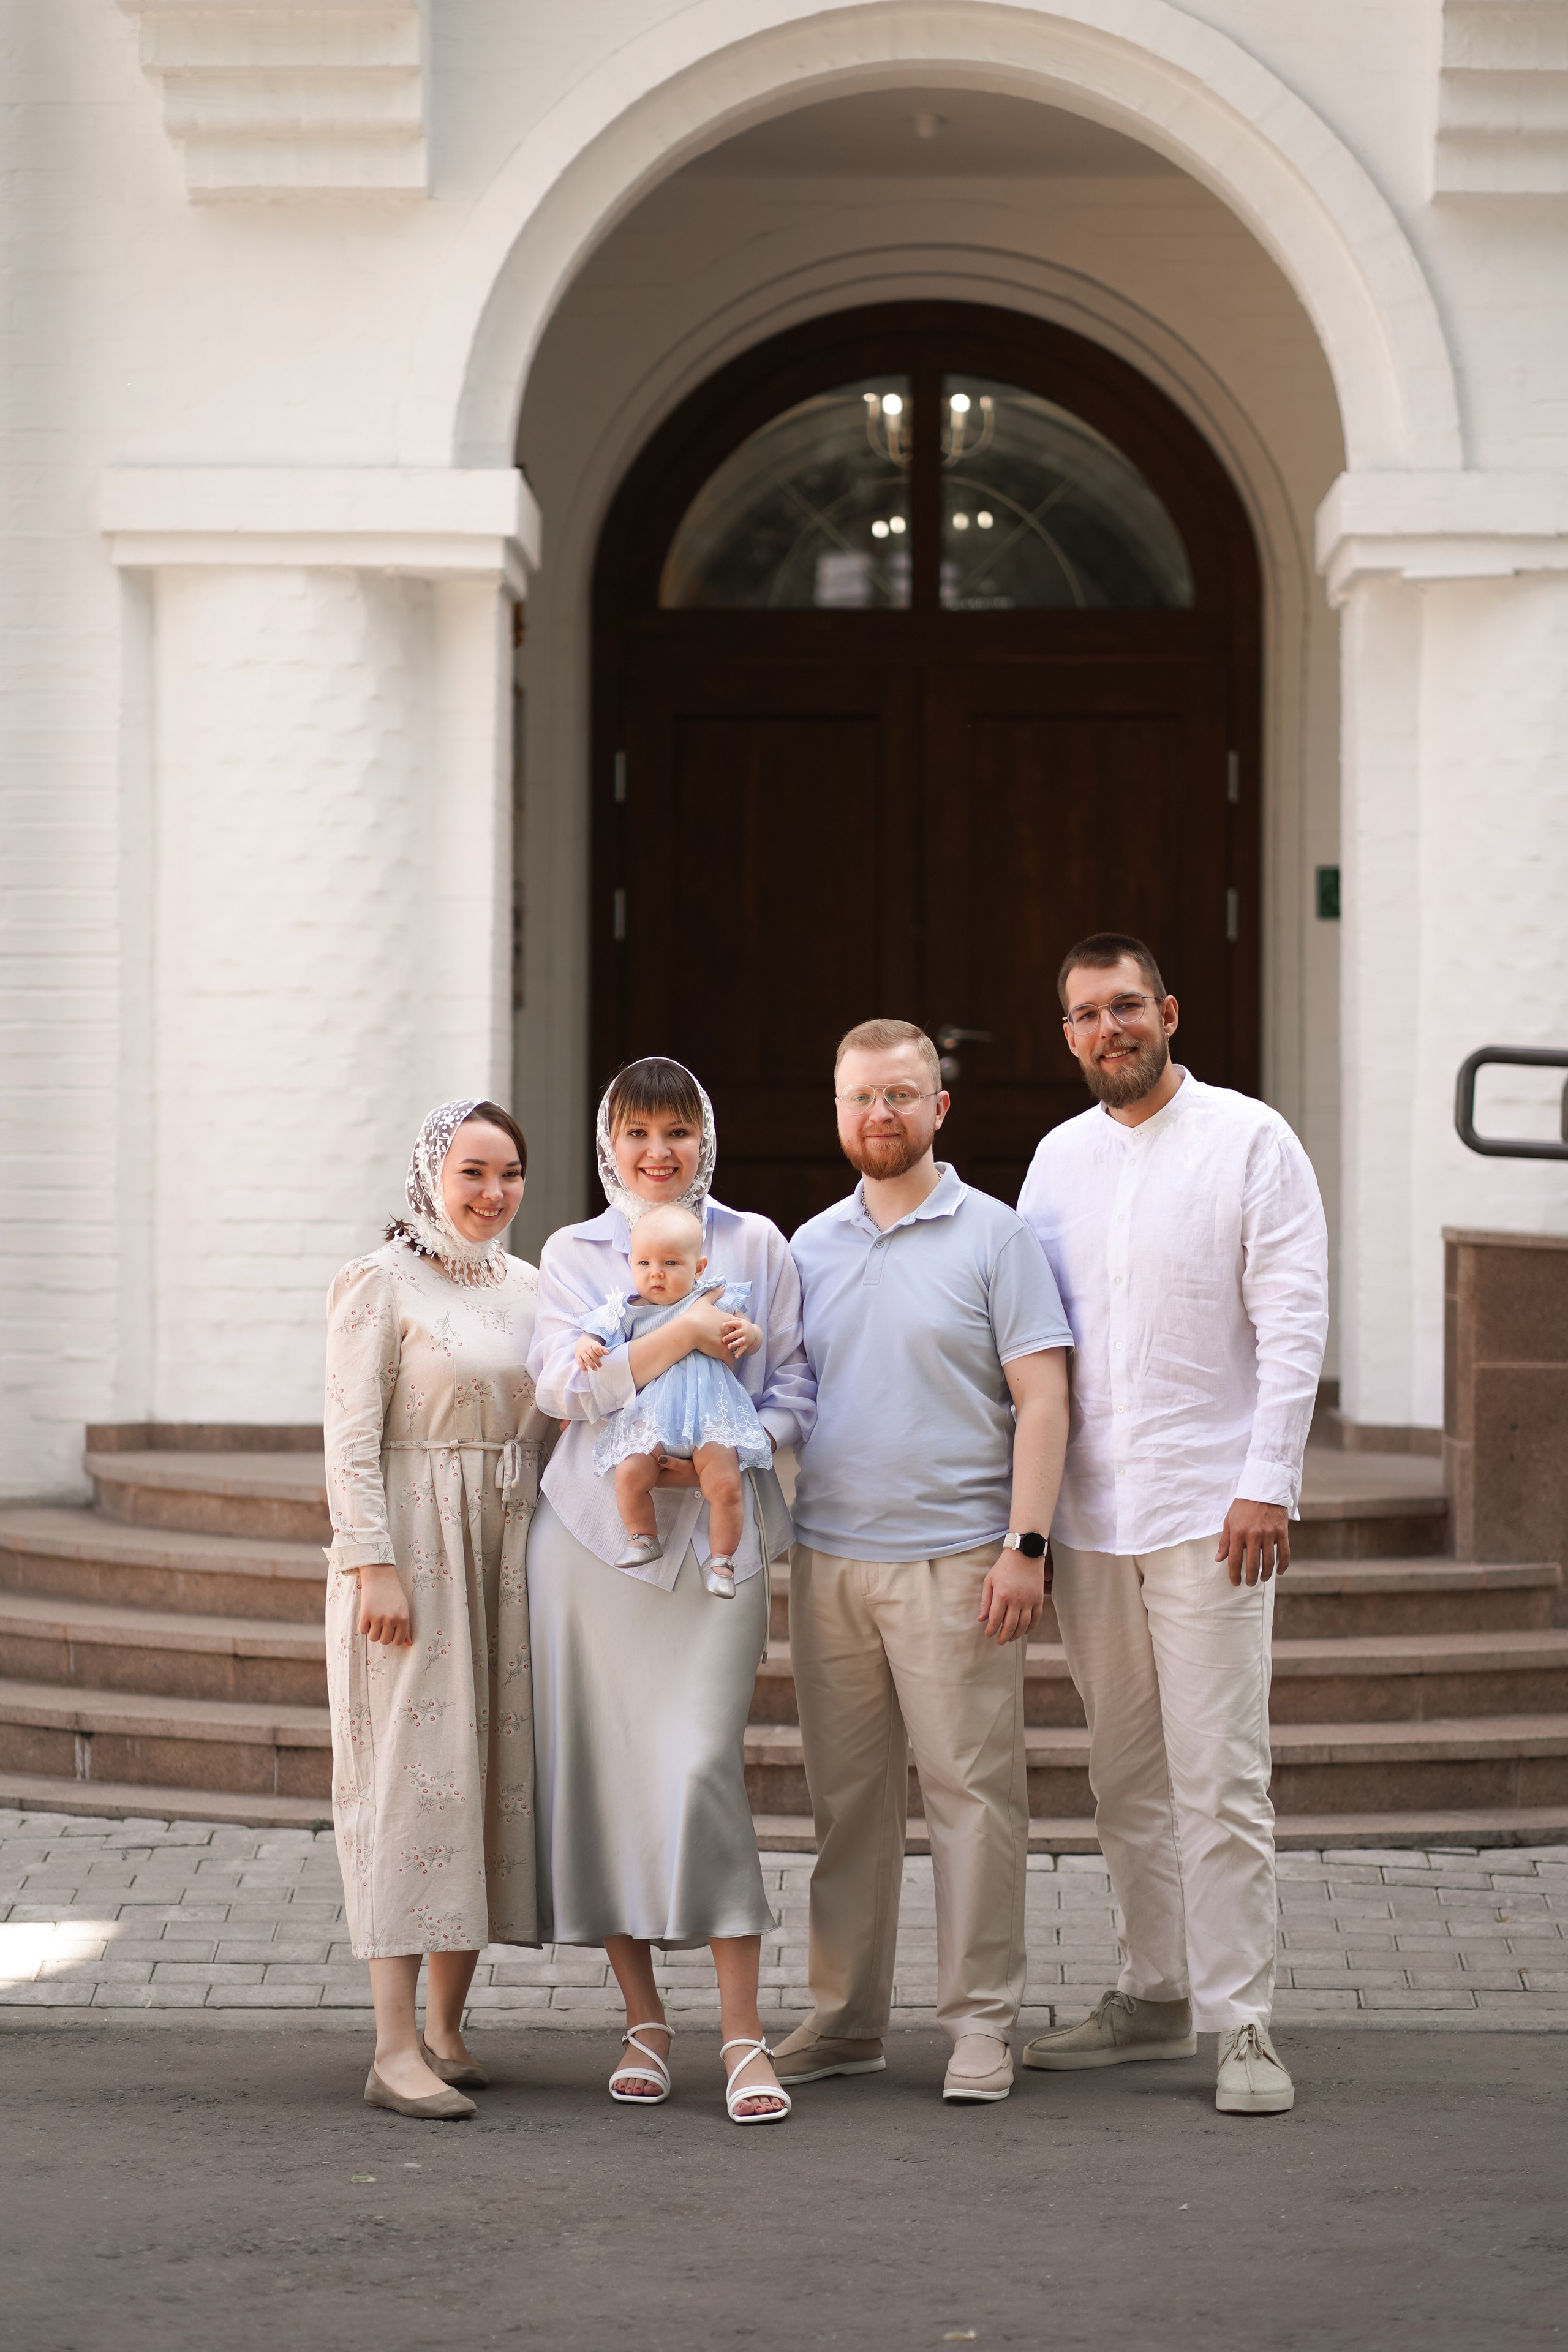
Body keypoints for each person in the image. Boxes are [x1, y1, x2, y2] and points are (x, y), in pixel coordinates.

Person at [1016, 933, 1328, 2117]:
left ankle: (1242, 2022)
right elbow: (1032, 1349)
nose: (1111, 1029)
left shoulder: (1252, 1139)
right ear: (1069, 1036)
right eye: (1088, 1015)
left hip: (1213, 1510)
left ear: (1171, 1013)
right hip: (1094, 1518)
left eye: (1128, 1007)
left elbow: (1293, 1322)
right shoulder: (1055, 1161)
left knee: (1222, 1774)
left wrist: (1269, 1481)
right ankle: (1152, 1995)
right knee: (1126, 1775)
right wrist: (1029, 1523)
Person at [775, 1019, 1072, 2106]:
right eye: (861, 1099)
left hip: (960, 1564)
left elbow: (1043, 1399)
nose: (880, 1116)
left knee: (971, 1799)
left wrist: (1024, 1547)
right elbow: (775, 1403)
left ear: (938, 1108)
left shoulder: (997, 1238)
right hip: (831, 1565)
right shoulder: (805, 1249)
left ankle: (982, 2025)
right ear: (841, 1112)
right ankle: (846, 2019)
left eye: (901, 1096)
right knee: (847, 1808)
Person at [525, 1058, 814, 2123]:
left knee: (698, 1768)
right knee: (607, 1780)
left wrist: (739, 1442)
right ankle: (645, 2018)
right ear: (612, 1145)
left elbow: (795, 1387)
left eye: (678, 1134)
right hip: (595, 1546)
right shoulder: (572, 1254)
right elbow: (562, 1387)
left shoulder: (757, 1245)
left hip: (719, 1550)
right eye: (639, 1136)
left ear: (706, 1139)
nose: (659, 1155)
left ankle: (743, 2036)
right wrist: (677, 1341)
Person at [323, 1098, 548, 2120]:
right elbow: (349, 1435)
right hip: (411, 1554)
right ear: (431, 1175)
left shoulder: (533, 1288)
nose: (492, 1193)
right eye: (473, 1172)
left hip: (504, 1554)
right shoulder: (383, 1281)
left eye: (509, 1173)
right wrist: (370, 1563)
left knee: (480, 1779)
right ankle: (391, 2046)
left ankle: (451, 2030)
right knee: (410, 1784)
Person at [572, 1200, 771, 1590]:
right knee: (630, 1472)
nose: (656, 1274)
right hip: (656, 1416)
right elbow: (594, 1333)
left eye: (670, 1264)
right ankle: (643, 1536)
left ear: (698, 1267)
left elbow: (747, 1328)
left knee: (725, 1485)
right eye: (644, 1264)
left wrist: (751, 1334)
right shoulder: (628, 1311)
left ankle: (722, 1561)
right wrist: (587, 1345)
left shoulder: (713, 1299)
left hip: (712, 1412)